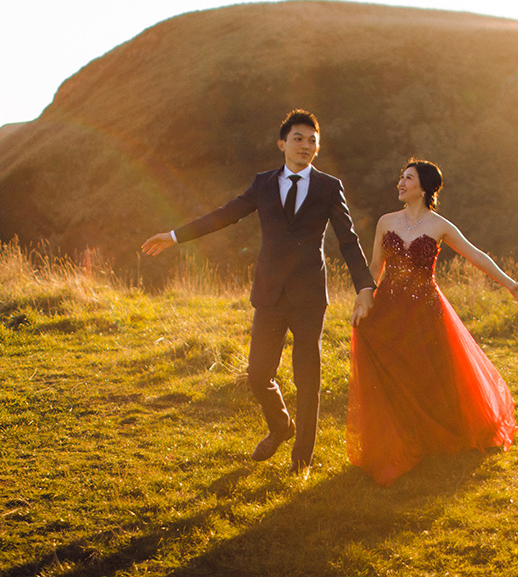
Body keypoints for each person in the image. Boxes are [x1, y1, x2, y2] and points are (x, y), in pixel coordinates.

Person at [141, 109, 376, 474]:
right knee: (257, 374)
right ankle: (281, 426)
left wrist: (364, 286)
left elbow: (348, 239)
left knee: (307, 378)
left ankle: (302, 460)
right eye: (298, 138)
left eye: (312, 140)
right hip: (269, 294)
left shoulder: (329, 186)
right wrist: (174, 236)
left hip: (309, 297)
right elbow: (225, 214)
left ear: (318, 148)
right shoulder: (263, 183)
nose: (305, 145)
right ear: (282, 143)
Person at [347, 159, 518, 486]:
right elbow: (375, 266)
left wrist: (509, 282)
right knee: (393, 366)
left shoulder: (439, 225)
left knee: (429, 372)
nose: (400, 183)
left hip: (425, 310)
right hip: (389, 306)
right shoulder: (386, 221)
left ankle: (436, 434)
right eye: (400, 177)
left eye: (407, 178)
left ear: (424, 186)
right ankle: (400, 433)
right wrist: (364, 298)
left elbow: (476, 255)